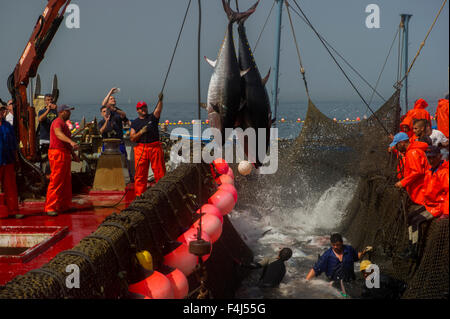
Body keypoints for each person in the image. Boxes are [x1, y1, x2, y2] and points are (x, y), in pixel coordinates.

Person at [44, 104, 79, 216]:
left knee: (65, 181)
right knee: (57, 180)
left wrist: (73, 154)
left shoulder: (63, 124)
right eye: (68, 111)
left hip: (64, 153)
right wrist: (71, 141)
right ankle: (50, 207)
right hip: (57, 153)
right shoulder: (57, 122)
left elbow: (65, 141)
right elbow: (58, 134)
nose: (70, 113)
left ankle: (64, 205)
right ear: (62, 112)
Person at [130, 93, 165, 196]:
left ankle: (162, 193)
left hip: (155, 147)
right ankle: (139, 195)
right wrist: (141, 132)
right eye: (141, 108)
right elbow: (132, 138)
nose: (143, 109)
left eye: (144, 107)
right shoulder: (135, 123)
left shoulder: (152, 117)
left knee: (160, 172)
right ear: (137, 110)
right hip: (141, 148)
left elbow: (158, 110)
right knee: (140, 174)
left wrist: (160, 100)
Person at [305, 233, 372, 286]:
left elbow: (356, 255)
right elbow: (316, 269)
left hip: (350, 282)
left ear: (342, 243)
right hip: (334, 284)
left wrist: (364, 252)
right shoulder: (327, 255)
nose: (335, 247)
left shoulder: (349, 249)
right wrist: (306, 281)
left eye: (338, 245)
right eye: (333, 245)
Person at [391, 132, 429, 205]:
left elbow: (417, 172)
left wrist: (402, 182)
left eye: (396, 145)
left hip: (423, 190)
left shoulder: (412, 152)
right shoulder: (413, 150)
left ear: (402, 143)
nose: (396, 147)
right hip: (424, 188)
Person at [0, 106, 20, 218]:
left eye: (2, 111)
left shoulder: (8, 126)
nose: (1, 113)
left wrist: (16, 158)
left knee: (10, 186)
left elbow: (13, 144)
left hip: (8, 160)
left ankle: (13, 210)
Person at [37, 94, 58, 176]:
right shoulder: (42, 111)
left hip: (54, 139)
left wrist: (56, 109)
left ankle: (52, 173)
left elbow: (61, 120)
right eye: (48, 100)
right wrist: (48, 110)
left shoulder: (56, 111)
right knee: (43, 158)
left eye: (51, 99)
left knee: (53, 158)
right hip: (44, 138)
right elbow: (40, 119)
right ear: (45, 101)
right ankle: (42, 174)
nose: (50, 101)